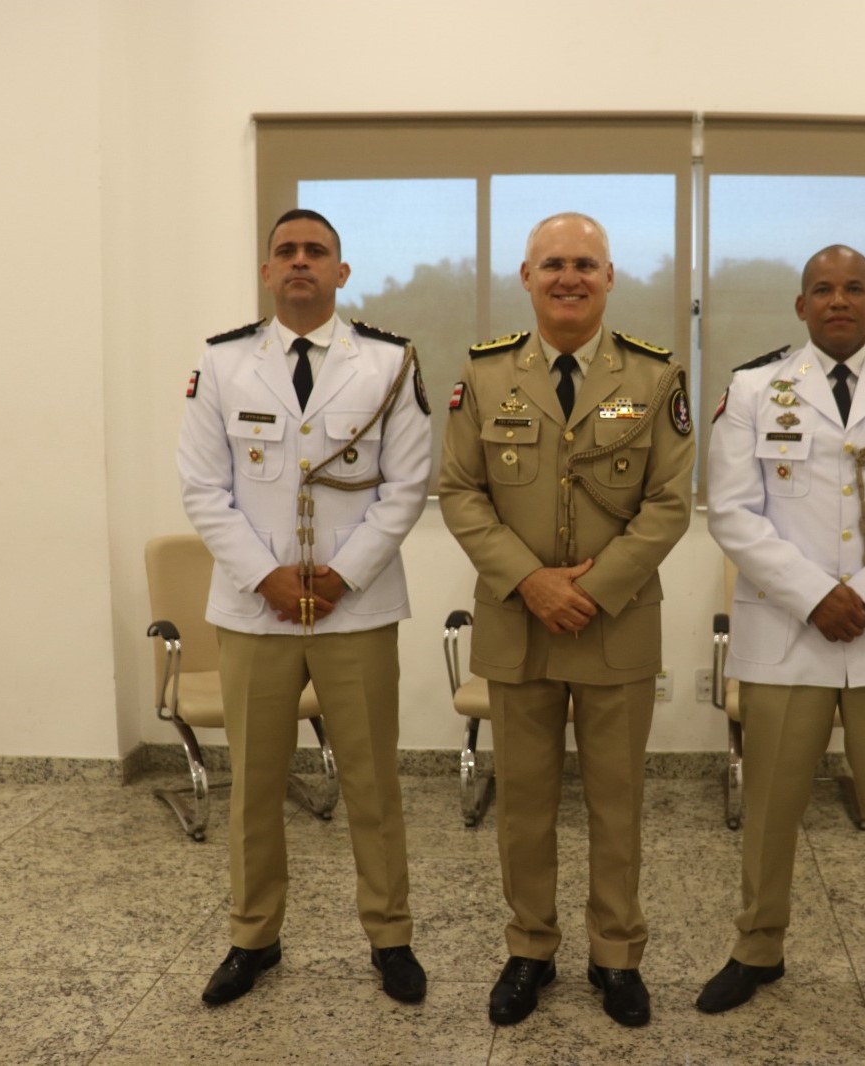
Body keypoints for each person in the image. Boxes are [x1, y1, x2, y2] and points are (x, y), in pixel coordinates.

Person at [698, 244, 865, 1019]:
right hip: (789, 636)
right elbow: (731, 513)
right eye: (822, 289)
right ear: (801, 306)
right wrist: (817, 596)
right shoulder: (754, 389)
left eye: (854, 288)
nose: (838, 300)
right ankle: (756, 949)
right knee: (770, 809)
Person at [438, 212, 694, 1028]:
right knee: (524, 803)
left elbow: (670, 503)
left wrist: (594, 587)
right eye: (553, 264)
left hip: (616, 624)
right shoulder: (484, 375)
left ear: (610, 278)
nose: (569, 277)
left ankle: (617, 956)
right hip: (519, 625)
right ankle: (530, 949)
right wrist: (532, 583)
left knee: (617, 804)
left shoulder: (655, 375)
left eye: (586, 263)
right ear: (527, 277)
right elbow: (460, 492)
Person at [177, 208, 431, 1007]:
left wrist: (341, 576)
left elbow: (407, 487)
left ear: (340, 272)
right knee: (253, 786)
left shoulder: (389, 362)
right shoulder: (223, 363)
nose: (299, 262)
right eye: (285, 251)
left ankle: (390, 938)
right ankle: (253, 937)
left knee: (372, 782)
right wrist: (269, 577)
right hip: (256, 612)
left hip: (357, 609)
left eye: (315, 251)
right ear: (266, 270)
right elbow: (202, 489)